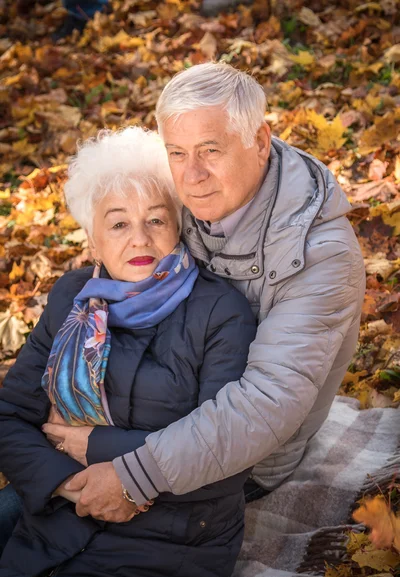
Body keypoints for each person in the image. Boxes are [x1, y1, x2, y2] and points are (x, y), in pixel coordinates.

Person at [0, 62, 366, 547]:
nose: (191, 176)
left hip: (241, 459)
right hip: (141, 420)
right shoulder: (184, 203)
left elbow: (264, 407)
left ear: (260, 140)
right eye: (176, 152)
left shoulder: (321, 256)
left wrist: (122, 465)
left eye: (210, 151)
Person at [0, 126, 256, 577]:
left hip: (172, 541)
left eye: (156, 220)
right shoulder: (72, 299)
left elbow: (227, 456)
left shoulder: (221, 313)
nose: (139, 239)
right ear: (92, 238)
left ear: (179, 225)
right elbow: (10, 415)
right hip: (59, 518)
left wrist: (97, 448)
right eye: (118, 223)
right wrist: (69, 484)